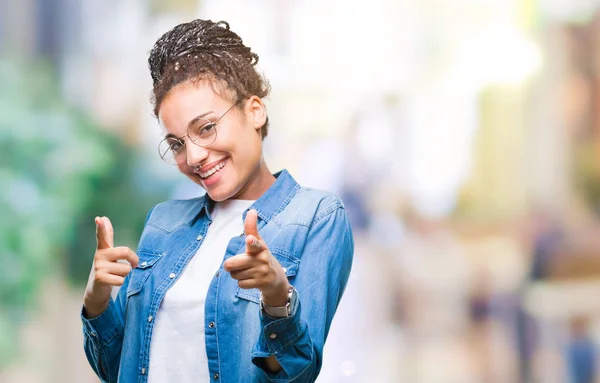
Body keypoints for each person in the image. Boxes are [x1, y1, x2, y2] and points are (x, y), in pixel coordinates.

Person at [80, 19, 354, 383]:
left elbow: (293, 375)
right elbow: (117, 369)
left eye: (206, 128)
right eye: (177, 143)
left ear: (255, 110)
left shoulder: (316, 217)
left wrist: (276, 298)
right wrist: (97, 301)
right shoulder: (164, 222)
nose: (193, 156)